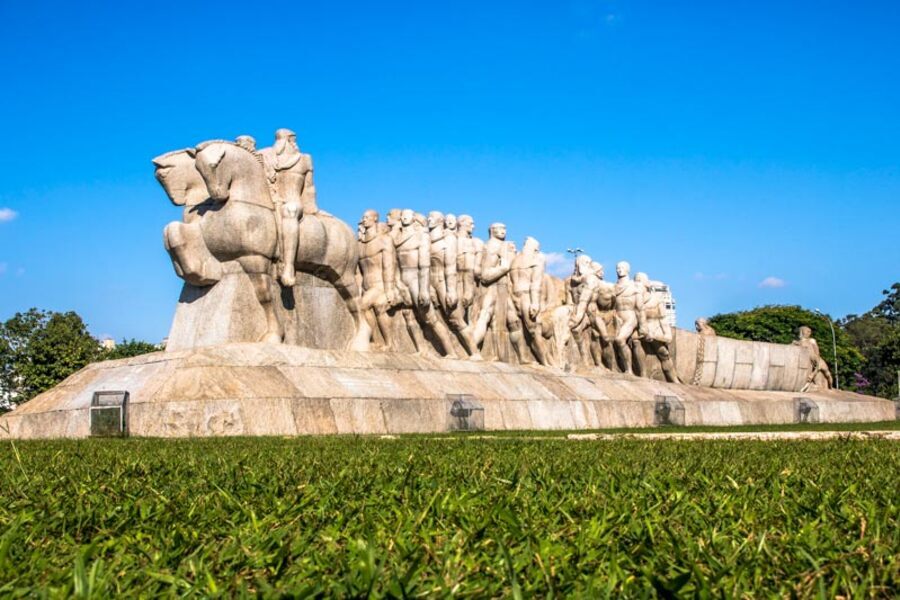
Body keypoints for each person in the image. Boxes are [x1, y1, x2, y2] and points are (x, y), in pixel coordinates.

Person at [260, 129, 317, 287]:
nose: (294, 143)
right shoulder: (266, 156)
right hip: (270, 201)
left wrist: (312, 207)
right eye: (291, 140)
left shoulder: (304, 159)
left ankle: (289, 266)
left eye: (294, 140)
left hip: (293, 201)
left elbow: (309, 187)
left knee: (289, 210)